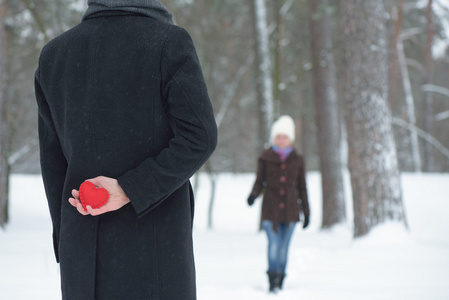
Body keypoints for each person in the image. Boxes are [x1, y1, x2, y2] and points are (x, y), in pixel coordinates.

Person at [34, 1, 217, 299]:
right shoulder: (169, 43)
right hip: (155, 251)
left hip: (83, 257)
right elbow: (200, 137)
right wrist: (129, 188)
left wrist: (67, 242)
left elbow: (53, 162)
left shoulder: (55, 54)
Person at [247, 115, 310, 293]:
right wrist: (253, 195)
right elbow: (260, 181)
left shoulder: (297, 160)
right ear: (274, 138)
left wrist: (307, 212)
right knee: (274, 245)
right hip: (270, 209)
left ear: (290, 139)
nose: (281, 140)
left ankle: (281, 277)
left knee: (283, 247)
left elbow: (302, 187)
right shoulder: (266, 157)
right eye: (278, 137)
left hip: (291, 210)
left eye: (285, 137)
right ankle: (272, 279)